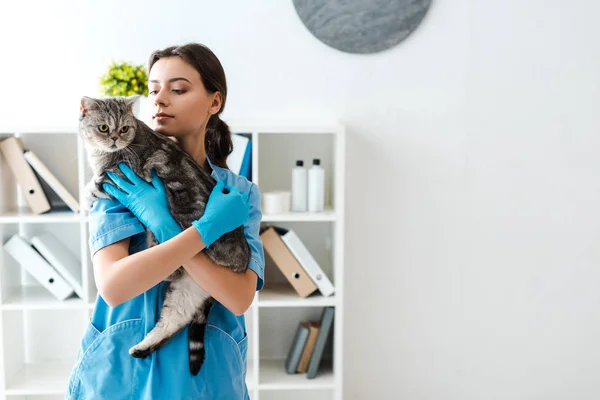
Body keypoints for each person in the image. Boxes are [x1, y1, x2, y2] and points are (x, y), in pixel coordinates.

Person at [66, 43, 265, 400]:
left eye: (177, 89)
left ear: (214, 102)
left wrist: (169, 229)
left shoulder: (238, 193)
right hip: (120, 372)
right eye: (153, 89)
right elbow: (113, 287)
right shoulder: (123, 180)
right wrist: (200, 231)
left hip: (209, 375)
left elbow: (238, 298)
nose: (158, 100)